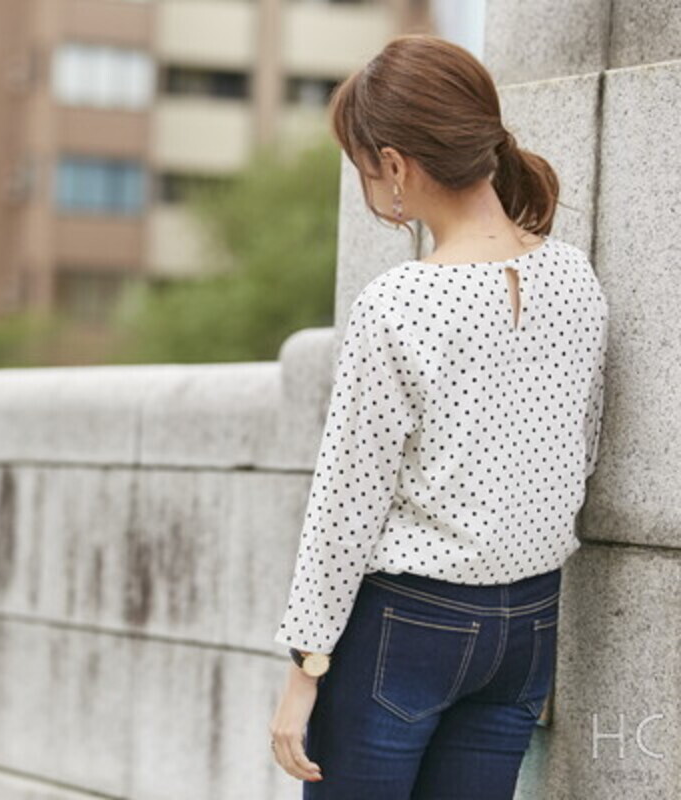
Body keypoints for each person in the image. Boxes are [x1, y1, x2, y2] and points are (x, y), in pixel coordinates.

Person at [267, 34, 609, 799]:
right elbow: (579, 452)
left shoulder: (401, 302)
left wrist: (306, 667)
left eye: (365, 168)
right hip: (529, 622)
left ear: (395, 164)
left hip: (410, 626)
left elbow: (346, 505)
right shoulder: (573, 276)